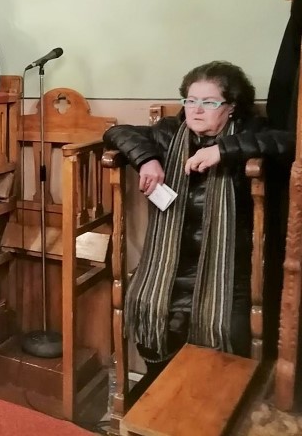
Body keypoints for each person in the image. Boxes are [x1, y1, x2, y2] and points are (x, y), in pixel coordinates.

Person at [103, 61, 293, 398]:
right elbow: (116, 133)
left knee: (228, 334)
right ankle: (162, 396)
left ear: (232, 107)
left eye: (209, 102)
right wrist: (147, 158)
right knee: (148, 308)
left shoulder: (252, 132)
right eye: (190, 100)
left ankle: (206, 403)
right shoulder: (169, 133)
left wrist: (223, 150)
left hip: (227, 271)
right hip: (169, 266)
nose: (196, 110)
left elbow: (288, 143)